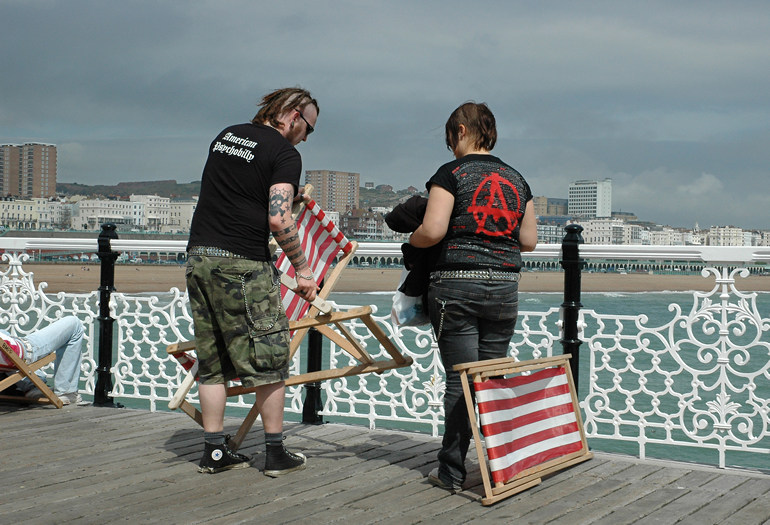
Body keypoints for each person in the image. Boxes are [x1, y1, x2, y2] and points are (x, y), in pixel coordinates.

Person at [186, 87, 319, 476]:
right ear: (293, 116)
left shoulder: (227, 136)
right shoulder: (284, 153)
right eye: (309, 128)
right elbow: (279, 218)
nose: (306, 138)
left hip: (199, 258)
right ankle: (275, 453)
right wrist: (303, 270)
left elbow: (240, 192)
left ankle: (214, 452)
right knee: (270, 359)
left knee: (211, 361)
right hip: (242, 264)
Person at [409, 102, 538, 492]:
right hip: (504, 288)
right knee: (491, 378)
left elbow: (433, 230)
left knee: (460, 379)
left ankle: (451, 472)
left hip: (457, 286)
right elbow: (529, 240)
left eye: (451, 138)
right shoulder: (516, 179)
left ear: (461, 131)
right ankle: (503, 467)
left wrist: (413, 240)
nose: (451, 147)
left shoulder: (450, 174)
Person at [0, 315, 86, 406]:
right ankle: (66, 391)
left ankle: (31, 385)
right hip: (17, 353)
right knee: (74, 324)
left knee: (4, 333)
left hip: (6, 359)